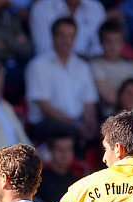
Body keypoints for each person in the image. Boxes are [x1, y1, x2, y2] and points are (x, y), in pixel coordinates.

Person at [24, 17, 99, 147]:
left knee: (106, 131)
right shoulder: (38, 65)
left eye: (71, 36)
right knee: (67, 131)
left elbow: (89, 102)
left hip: (76, 122)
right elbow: (45, 108)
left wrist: (89, 122)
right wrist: (76, 124)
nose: (66, 40)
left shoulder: (82, 67)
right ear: (53, 36)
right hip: (46, 123)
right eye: (62, 35)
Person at [90, 20, 133, 119]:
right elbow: (109, 97)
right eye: (108, 42)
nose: (113, 46)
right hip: (113, 117)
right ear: (101, 42)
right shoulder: (95, 65)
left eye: (117, 41)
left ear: (123, 43)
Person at [28, 0, 106, 58]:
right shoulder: (42, 8)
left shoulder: (96, 8)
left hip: (89, 66)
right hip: (51, 65)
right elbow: (43, 49)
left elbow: (99, 48)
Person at [36, 131, 79, 202]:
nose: (65, 154)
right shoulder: (38, 181)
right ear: (50, 151)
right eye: (60, 149)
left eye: (68, 149)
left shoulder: (77, 182)